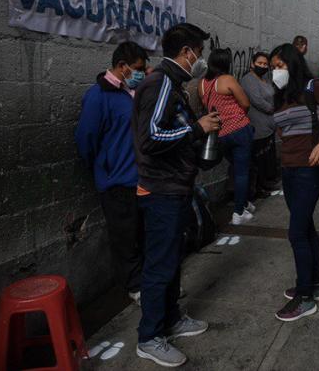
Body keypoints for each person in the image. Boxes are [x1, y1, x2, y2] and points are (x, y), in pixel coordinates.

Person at [132, 23, 221, 367]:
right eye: (199, 52)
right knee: (159, 265)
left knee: (172, 259)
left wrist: (199, 128)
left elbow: (172, 128)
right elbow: (151, 138)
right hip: (161, 190)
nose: (200, 59)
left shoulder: (176, 86)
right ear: (187, 52)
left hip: (176, 186)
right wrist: (198, 128)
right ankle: (149, 337)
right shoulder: (161, 83)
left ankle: (170, 319)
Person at [270, 44, 319, 322]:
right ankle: (313, 285)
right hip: (289, 169)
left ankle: (304, 298)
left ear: (292, 64)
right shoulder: (281, 95)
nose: (275, 71)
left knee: (296, 232)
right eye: (273, 66)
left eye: (279, 65)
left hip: (309, 170)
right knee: (305, 227)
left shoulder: (313, 87)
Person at [75, 42, 148, 304]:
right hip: (117, 181)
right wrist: (105, 166)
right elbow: (86, 139)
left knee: (143, 234)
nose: (141, 73)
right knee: (125, 238)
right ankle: (135, 286)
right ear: (122, 66)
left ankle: (150, 282)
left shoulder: (131, 92)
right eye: (138, 69)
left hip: (139, 177)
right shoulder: (98, 96)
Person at [199, 49, 256, 225]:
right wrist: (237, 118)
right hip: (239, 130)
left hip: (220, 134)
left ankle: (244, 203)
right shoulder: (228, 79)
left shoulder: (202, 84)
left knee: (236, 167)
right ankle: (238, 213)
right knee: (241, 171)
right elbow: (245, 103)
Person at [241, 52, 279, 200]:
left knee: (266, 159)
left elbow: (273, 95)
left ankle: (265, 184)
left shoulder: (265, 79)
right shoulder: (248, 80)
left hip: (269, 126)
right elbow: (256, 100)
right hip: (257, 125)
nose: (263, 66)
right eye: (260, 63)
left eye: (265, 64)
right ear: (252, 64)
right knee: (257, 160)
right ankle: (256, 189)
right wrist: (272, 108)